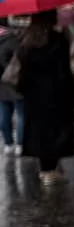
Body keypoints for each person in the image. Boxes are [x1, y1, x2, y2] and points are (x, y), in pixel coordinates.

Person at [14, 10, 74, 186]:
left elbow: (23, 70)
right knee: (55, 130)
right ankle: (52, 170)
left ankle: (45, 169)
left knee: (39, 131)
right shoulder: (58, 39)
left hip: (33, 94)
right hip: (56, 93)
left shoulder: (26, 40)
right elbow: (64, 70)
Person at [0, 26, 24, 155]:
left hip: (1, 85)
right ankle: (20, 144)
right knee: (21, 115)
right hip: (15, 82)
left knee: (4, 114)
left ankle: (8, 144)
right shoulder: (14, 40)